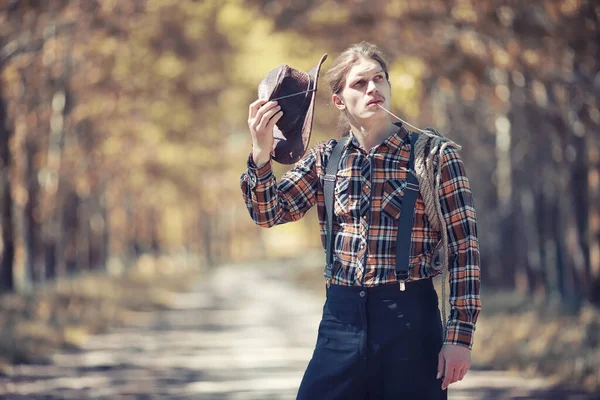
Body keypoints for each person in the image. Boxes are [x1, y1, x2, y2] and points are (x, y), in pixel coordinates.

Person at [240, 41, 481, 399]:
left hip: (410, 320)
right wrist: (261, 155)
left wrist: (459, 337)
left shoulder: (433, 155)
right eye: (359, 83)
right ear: (338, 100)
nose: (373, 88)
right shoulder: (326, 159)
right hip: (341, 318)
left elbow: (465, 249)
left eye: (379, 79)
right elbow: (268, 212)